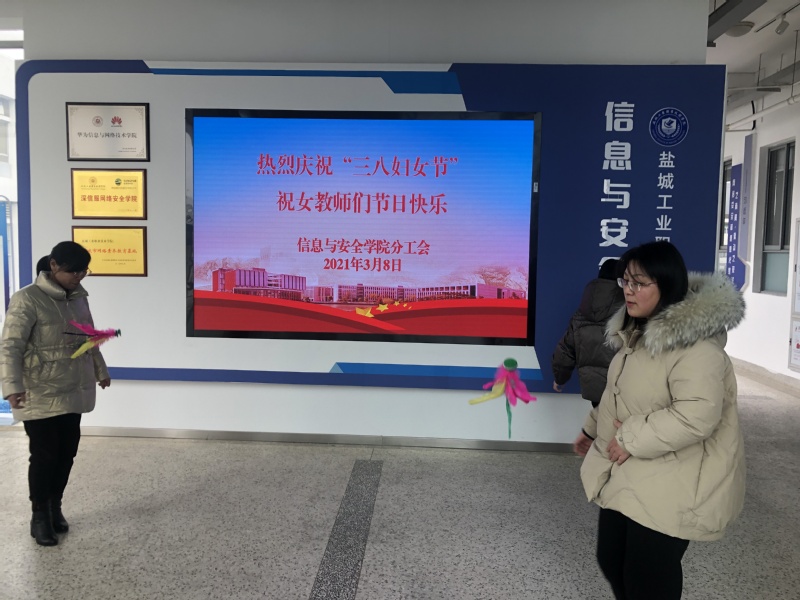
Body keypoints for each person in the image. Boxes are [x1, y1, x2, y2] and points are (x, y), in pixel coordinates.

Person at [578, 240, 746, 600]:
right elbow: (623, 395)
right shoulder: (637, 336)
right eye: (625, 281)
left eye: (639, 283)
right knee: (612, 559)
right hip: (634, 466)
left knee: (647, 576)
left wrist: (628, 438)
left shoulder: (697, 347)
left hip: (676, 475)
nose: (628, 290)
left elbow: (696, 415)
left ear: (667, 285)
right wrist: (592, 429)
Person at [1, 241, 111, 546]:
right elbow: (10, 346)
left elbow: (89, 337)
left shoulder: (78, 298)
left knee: (66, 453)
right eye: (73, 271)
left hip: (73, 387)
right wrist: (12, 387)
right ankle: (39, 516)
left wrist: (100, 370)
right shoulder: (27, 299)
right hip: (39, 390)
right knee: (44, 455)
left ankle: (55, 506)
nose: (79, 276)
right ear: (53, 266)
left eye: (84, 271)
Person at [551, 258, 624, 455]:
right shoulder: (629, 311)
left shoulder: (581, 313)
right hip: (623, 387)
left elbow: (565, 349)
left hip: (595, 388)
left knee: (603, 427)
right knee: (622, 433)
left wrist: (560, 378)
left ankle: (602, 460)